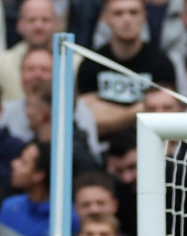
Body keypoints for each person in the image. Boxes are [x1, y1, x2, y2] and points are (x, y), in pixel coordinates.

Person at [75, 0, 176, 137]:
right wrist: (137, 110)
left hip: (148, 144)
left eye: (133, 12)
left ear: (144, 16)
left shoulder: (162, 63)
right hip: (101, 150)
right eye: (118, 13)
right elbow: (89, 118)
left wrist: (109, 114)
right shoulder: (91, 63)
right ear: (104, 18)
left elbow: (164, 116)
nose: (127, 20)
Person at [0, 0, 57, 103]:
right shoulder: (2, 65)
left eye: (45, 20)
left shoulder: (75, 63)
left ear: (56, 24)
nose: (38, 26)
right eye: (31, 20)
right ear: (19, 25)